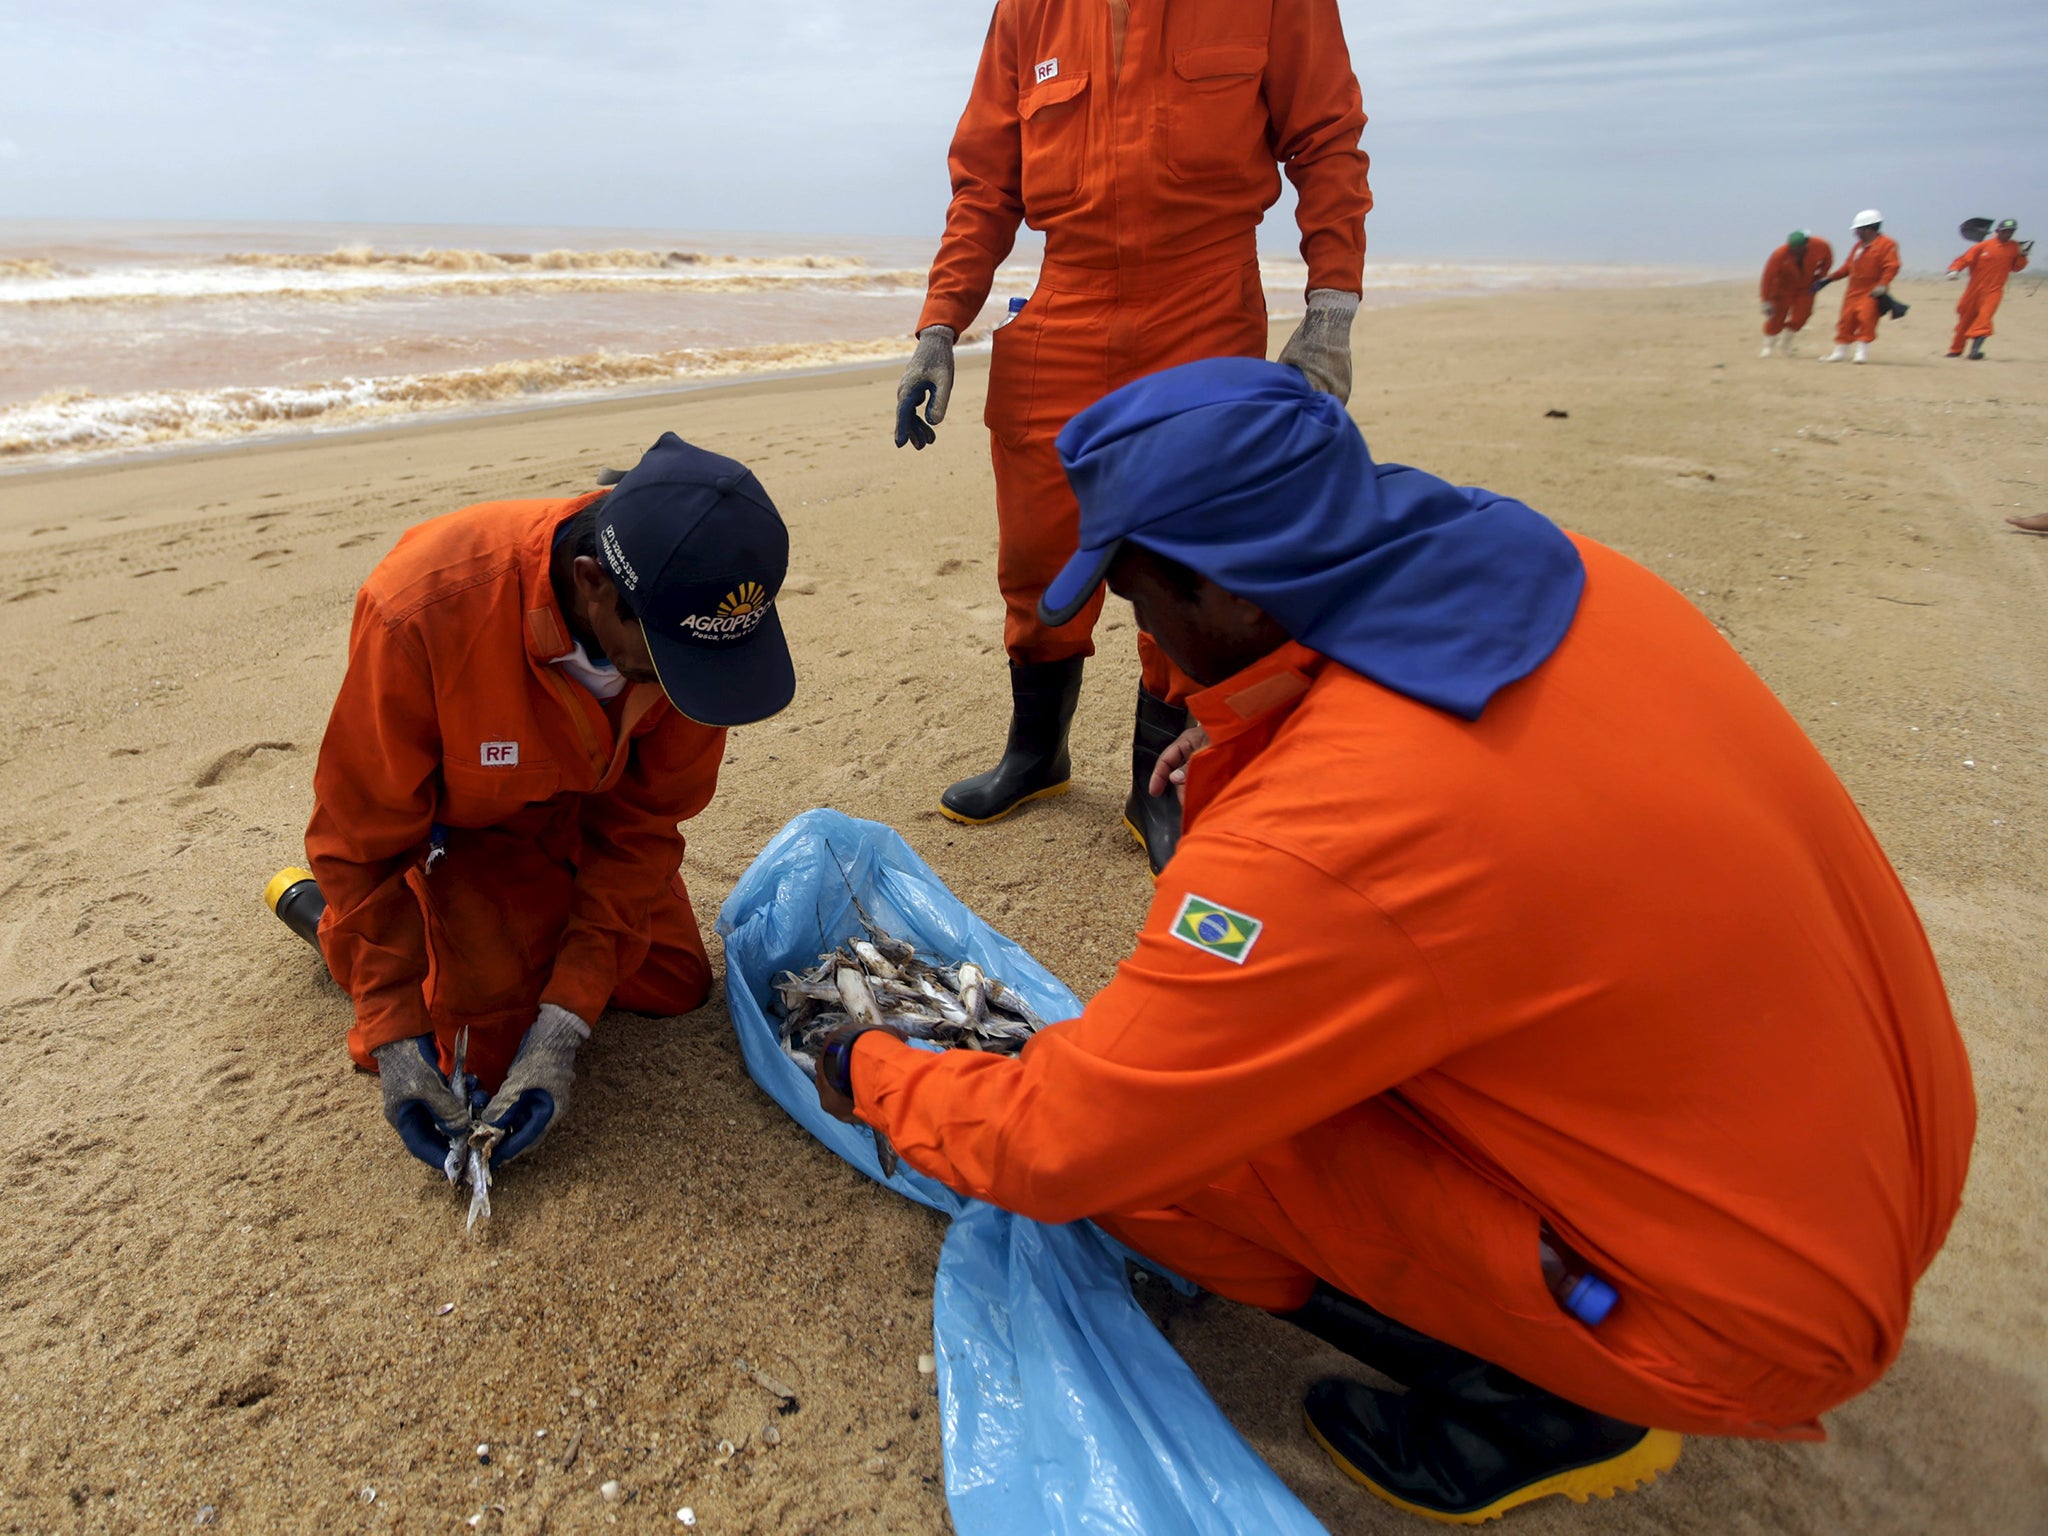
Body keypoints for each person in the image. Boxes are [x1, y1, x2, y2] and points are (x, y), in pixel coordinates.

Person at [816, 359, 1976, 1524]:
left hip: (1742, 1326)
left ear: (1222, 595)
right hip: (1880, 1180)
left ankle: (1549, 1399)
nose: (1147, 643)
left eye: (1136, 602)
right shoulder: (1568, 573)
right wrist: (1241, 751)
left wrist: (873, 1071)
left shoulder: (1335, 829)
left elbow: (1061, 1144)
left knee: (1171, 1159)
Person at [892, 0, 1371, 876]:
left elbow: (1327, 142)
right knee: (1037, 549)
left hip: (1204, 300)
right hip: (1063, 305)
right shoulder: (1028, 13)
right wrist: (938, 326)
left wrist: (1331, 310)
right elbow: (986, 185)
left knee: (1182, 554)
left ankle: (1156, 783)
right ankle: (1036, 755)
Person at [275, 434, 795, 1177]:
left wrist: (564, 1023)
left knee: (673, 981)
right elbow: (360, 836)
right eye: (672, 661)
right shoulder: (421, 610)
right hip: (461, 834)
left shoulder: (696, 624)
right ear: (593, 584)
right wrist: (394, 1033)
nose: (691, 689)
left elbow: (644, 827)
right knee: (472, 1046)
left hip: (581, 817)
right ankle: (320, 913)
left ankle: (458, 950)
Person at [1820, 211, 1902, 364]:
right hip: (1853, 289)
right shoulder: (1858, 246)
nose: (1855, 233)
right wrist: (1829, 279)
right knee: (1846, 320)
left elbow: (1892, 266)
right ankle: (1840, 352)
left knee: (1866, 319)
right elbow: (1848, 267)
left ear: (1868, 229)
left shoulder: (1887, 244)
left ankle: (1861, 352)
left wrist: (1883, 284)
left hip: (1872, 289)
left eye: (1858, 229)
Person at [1947, 218, 2029, 360]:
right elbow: (1964, 259)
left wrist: (2023, 256)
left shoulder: (2014, 248)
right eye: (2005, 231)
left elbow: (2016, 268)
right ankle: (1956, 350)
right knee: (1965, 319)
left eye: (2011, 231)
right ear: (1998, 231)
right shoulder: (1983, 246)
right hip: (1974, 290)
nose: (2008, 234)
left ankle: (1975, 351)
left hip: (1994, 290)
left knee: (1984, 319)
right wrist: (1954, 270)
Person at [1757, 229, 1832, 356]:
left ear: (1806, 245)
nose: (1795, 252)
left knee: (1802, 315)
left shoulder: (1821, 245)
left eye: (1798, 249)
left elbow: (1828, 260)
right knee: (1776, 318)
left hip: (1806, 287)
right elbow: (1767, 278)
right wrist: (1766, 300)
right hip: (1782, 288)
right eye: (1792, 249)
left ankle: (1786, 343)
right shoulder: (1780, 254)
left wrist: (1820, 277)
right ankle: (1768, 346)